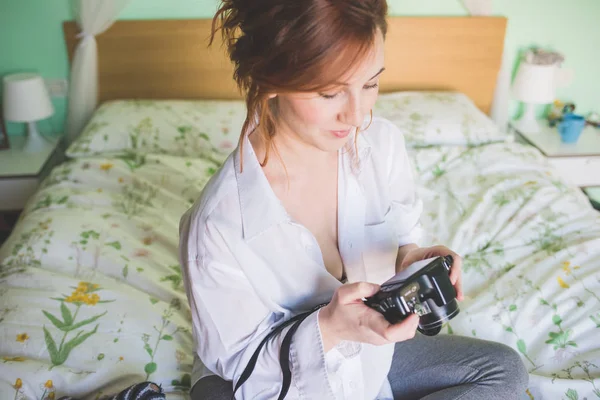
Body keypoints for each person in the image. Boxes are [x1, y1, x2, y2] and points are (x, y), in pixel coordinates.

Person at [178, 0, 529, 399]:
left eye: (370, 83)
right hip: (268, 379)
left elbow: (399, 239)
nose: (358, 115)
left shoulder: (383, 145)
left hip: (367, 358)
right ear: (271, 78)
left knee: (503, 372)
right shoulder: (217, 225)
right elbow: (243, 367)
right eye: (330, 93)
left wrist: (409, 260)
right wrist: (329, 327)